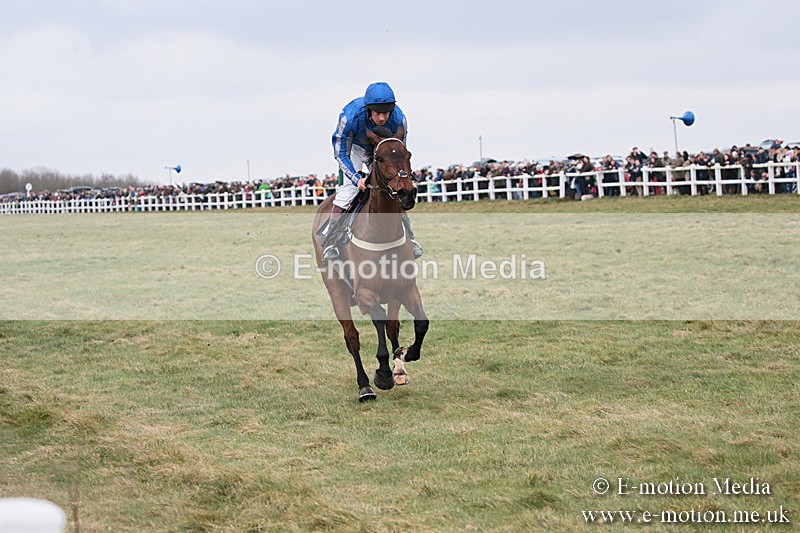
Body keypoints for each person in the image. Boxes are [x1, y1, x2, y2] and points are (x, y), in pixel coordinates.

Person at [319, 82, 423, 261]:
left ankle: (410, 238)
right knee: (348, 192)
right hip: (354, 149)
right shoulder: (349, 117)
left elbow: (400, 152)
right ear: (368, 109)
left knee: (395, 188)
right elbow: (341, 153)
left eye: (386, 113)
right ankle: (331, 241)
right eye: (377, 113)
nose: (382, 118)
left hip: (382, 149)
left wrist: (403, 176)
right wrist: (356, 178)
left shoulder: (400, 120)